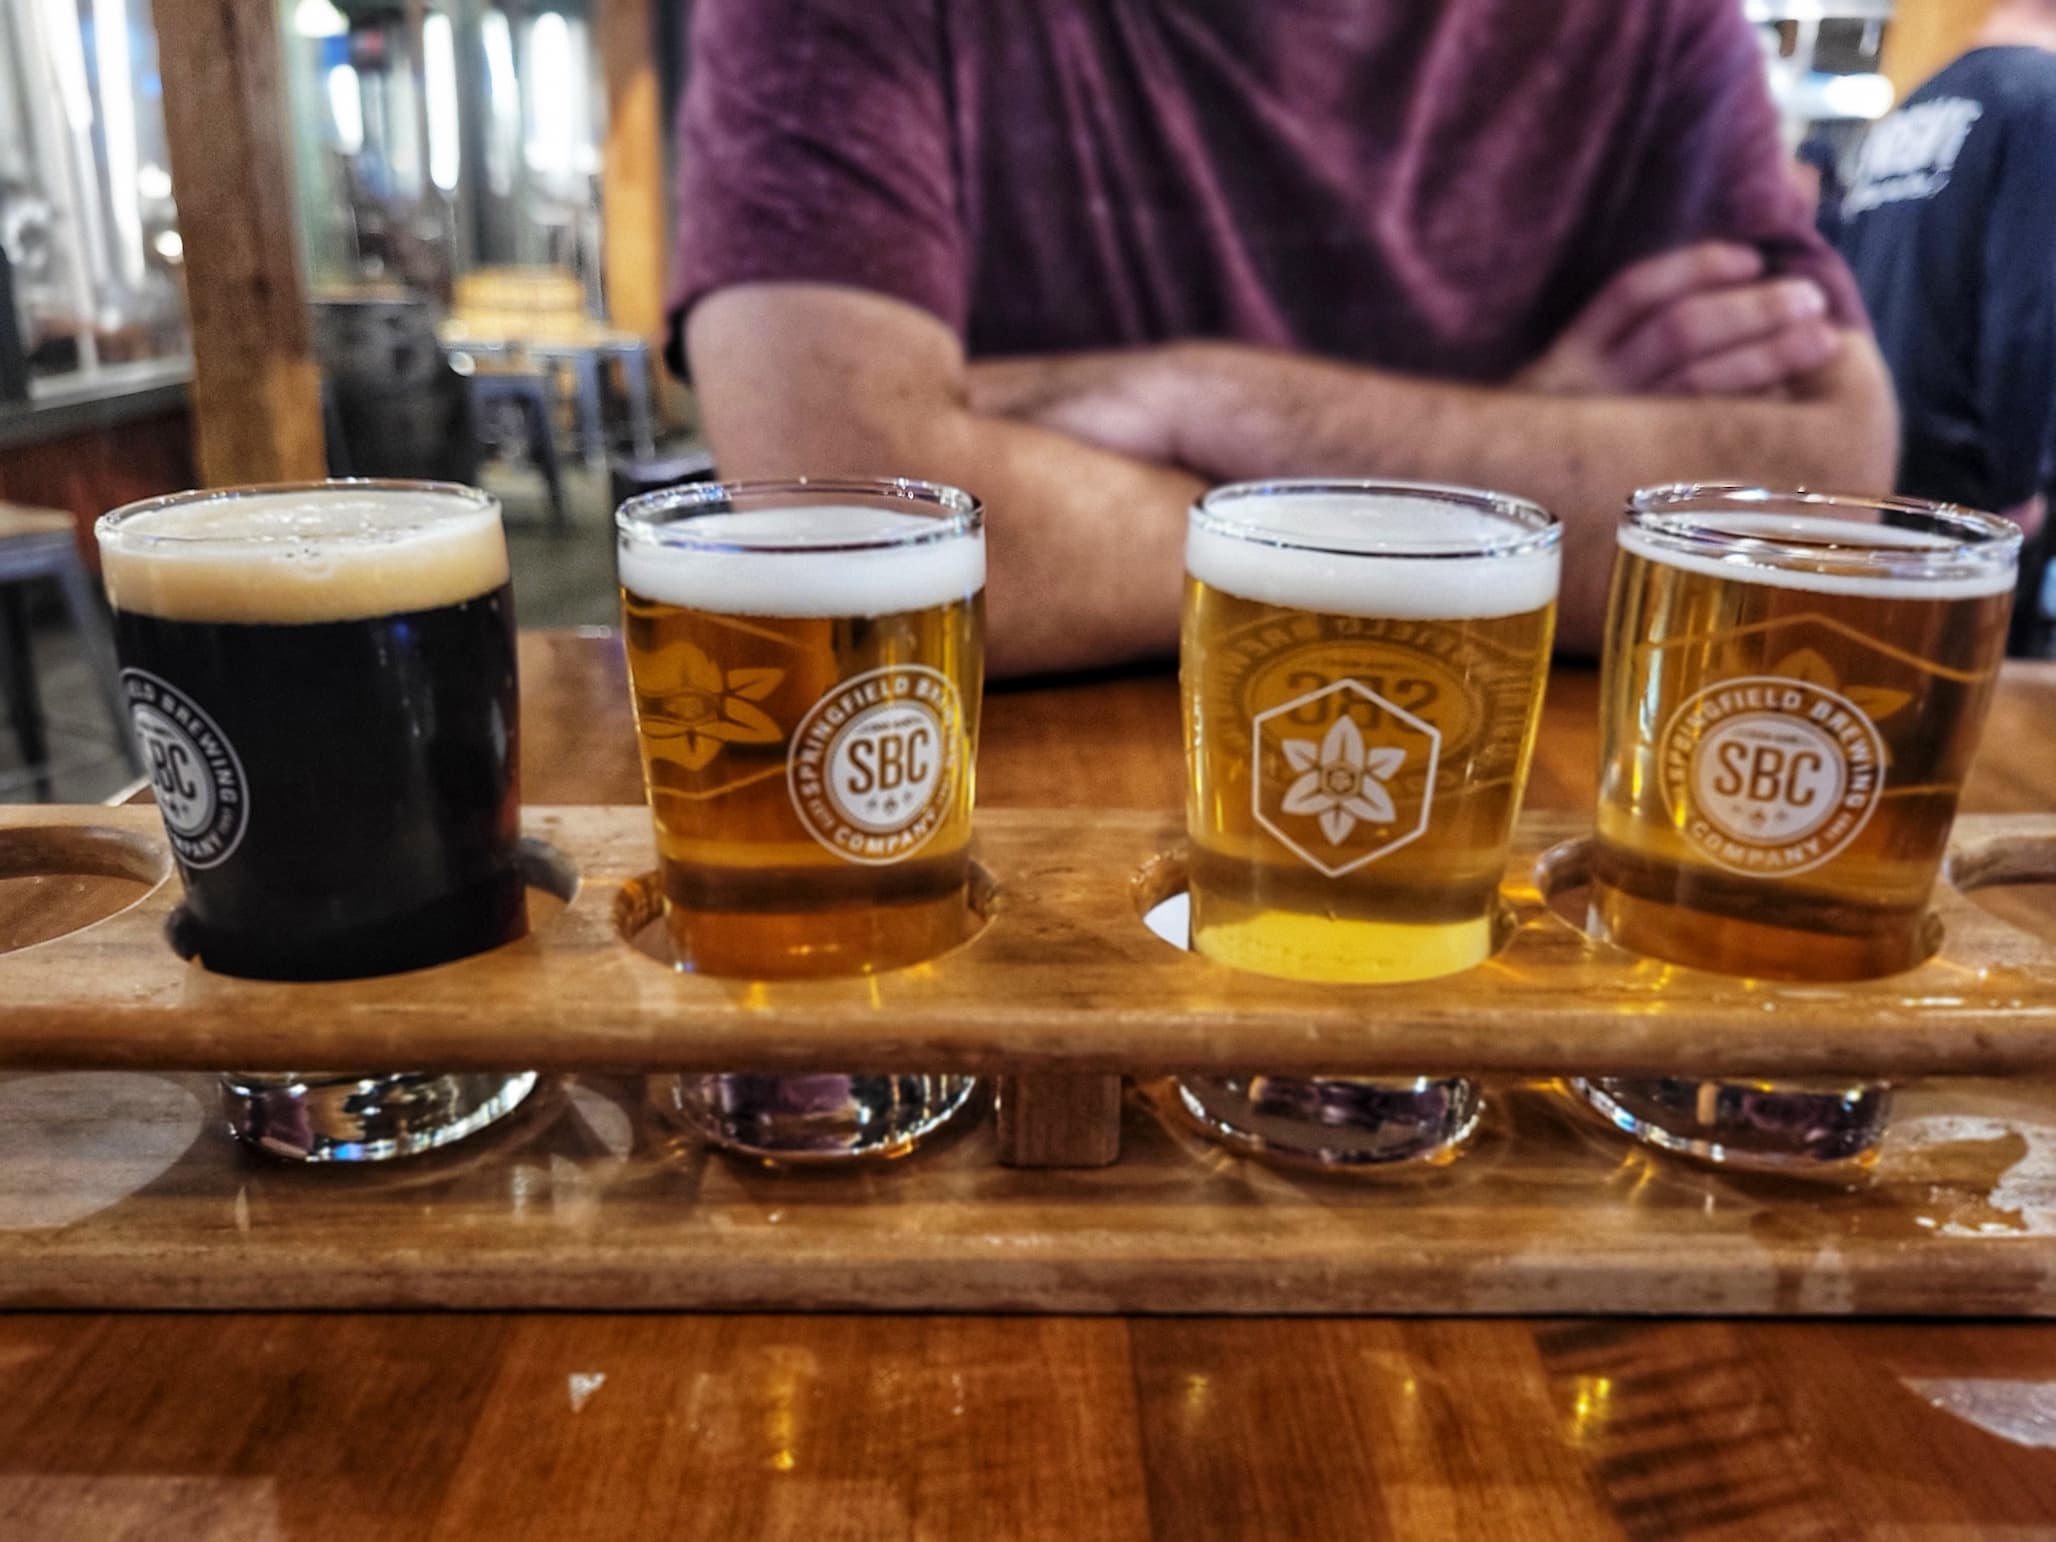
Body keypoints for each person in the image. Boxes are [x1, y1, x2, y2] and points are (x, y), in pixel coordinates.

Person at [672, 1, 1897, 675]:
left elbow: (1819, 490)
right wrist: (1509, 477)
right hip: (999, 894)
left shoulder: (1647, 27)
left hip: (1508, 889)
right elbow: (841, 513)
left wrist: (1203, 397)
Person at [1832, 0, 2056, 652]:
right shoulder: (2040, 101)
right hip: (1975, 497)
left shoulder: (1915, 104)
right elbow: (2030, 313)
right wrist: (2017, 483)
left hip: (1881, 469)